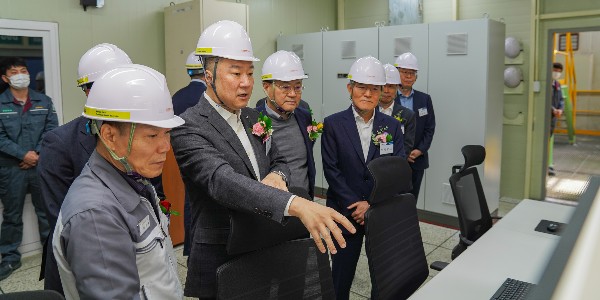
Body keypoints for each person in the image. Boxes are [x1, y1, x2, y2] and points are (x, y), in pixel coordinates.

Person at [170, 20, 355, 299]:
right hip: (223, 252)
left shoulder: (253, 117)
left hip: (263, 244)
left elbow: (280, 160)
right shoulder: (189, 126)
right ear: (208, 75)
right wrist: (294, 203)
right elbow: (221, 181)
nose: (246, 83)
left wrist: (277, 176)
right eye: (235, 73)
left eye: (249, 73)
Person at [52, 64, 184, 299]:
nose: (165, 147)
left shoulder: (133, 177)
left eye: (167, 134)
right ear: (110, 136)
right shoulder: (96, 216)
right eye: (152, 135)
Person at [37, 43, 133, 294]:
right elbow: (61, 217)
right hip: (84, 264)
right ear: (88, 92)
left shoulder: (140, 134)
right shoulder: (59, 143)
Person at [322, 55, 405, 300]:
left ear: (382, 92)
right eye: (362, 87)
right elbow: (332, 171)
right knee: (340, 278)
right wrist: (356, 206)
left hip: (380, 213)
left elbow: (397, 171)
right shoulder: (333, 124)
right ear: (350, 88)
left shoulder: (391, 126)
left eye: (374, 89)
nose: (367, 94)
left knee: (382, 277)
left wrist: (371, 204)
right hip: (345, 213)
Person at [0, 57, 58, 281]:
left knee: (46, 211)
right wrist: (23, 155)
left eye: (23, 70)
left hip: (39, 166)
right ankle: (10, 258)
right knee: (12, 215)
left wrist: (36, 154)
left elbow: (51, 130)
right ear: (5, 78)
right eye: (14, 72)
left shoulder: (43, 101)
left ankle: (51, 254)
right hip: (11, 169)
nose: (20, 74)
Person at [255, 50, 317, 198]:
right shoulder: (254, 121)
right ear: (266, 87)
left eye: (297, 86)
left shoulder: (304, 116)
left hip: (305, 201)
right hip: (272, 204)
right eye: (285, 87)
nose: (293, 94)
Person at [172, 51, 208, 257]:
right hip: (203, 157)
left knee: (188, 201)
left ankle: (189, 246)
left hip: (177, 157)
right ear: (207, 73)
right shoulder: (206, 98)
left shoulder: (177, 96)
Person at [394, 52, 435, 200]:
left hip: (417, 159)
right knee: (393, 198)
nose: (409, 76)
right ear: (396, 74)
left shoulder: (424, 99)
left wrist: (420, 150)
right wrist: (403, 153)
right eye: (405, 72)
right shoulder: (388, 98)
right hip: (395, 159)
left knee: (412, 198)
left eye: (412, 73)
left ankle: (409, 223)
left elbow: (430, 127)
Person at [380, 63, 416, 158]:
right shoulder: (368, 112)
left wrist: (392, 165)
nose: (386, 91)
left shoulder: (408, 115)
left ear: (397, 88)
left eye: (391, 86)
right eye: (384, 86)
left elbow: (407, 146)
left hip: (395, 166)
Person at [549, 62, 564, 176]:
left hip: (553, 118)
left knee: (548, 142)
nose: (557, 73)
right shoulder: (547, 84)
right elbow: (544, 99)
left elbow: (561, 100)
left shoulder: (558, 85)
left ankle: (548, 165)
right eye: (555, 70)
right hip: (546, 117)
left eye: (559, 72)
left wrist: (560, 109)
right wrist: (553, 109)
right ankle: (546, 166)